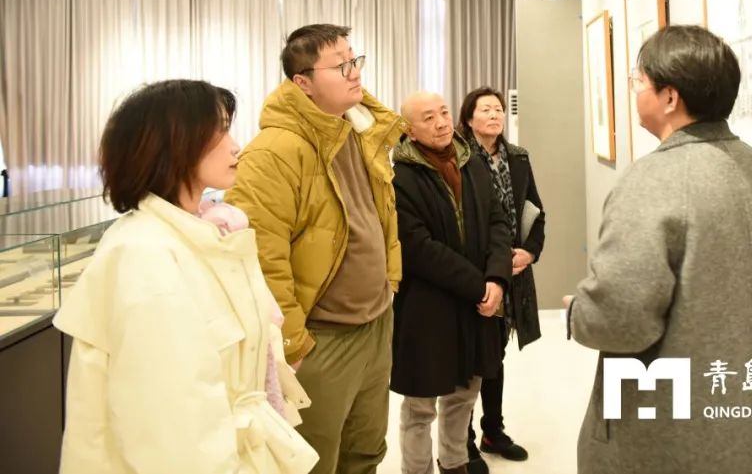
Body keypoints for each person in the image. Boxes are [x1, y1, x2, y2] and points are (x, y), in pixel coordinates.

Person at [565, 25, 752, 474]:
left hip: (675, 431)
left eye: (638, 81)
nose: (634, 91)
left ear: (669, 97)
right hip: (750, 419)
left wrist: (579, 311)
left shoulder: (655, 179)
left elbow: (620, 321)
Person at [54, 79, 319, 474]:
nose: (236, 146)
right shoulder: (146, 256)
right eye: (221, 132)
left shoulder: (201, 233)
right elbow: (172, 433)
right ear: (176, 145)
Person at [226, 24, 408, 474]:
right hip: (321, 336)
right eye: (340, 65)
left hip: (374, 323)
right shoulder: (273, 152)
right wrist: (293, 340)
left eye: (354, 59)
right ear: (302, 82)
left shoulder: (360, 131)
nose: (354, 72)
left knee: (366, 452)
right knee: (313, 460)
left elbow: (379, 219)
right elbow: (259, 257)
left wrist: (389, 285)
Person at [390, 91, 512, 474]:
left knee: (463, 397)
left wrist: (497, 278)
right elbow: (417, 247)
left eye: (444, 112)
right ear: (409, 130)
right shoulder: (399, 177)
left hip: (475, 305)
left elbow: (498, 222)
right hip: (428, 308)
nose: (442, 122)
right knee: (420, 406)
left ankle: (455, 464)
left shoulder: (470, 161)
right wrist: (479, 285)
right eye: (428, 118)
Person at [456, 87, 546, 468]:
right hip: (475, 272)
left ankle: (493, 430)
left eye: (498, 109)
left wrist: (530, 251)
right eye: (486, 110)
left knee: (495, 355)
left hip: (512, 272)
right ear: (469, 118)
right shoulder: (458, 156)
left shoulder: (518, 157)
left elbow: (535, 210)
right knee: (469, 359)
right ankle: (461, 442)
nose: (495, 115)